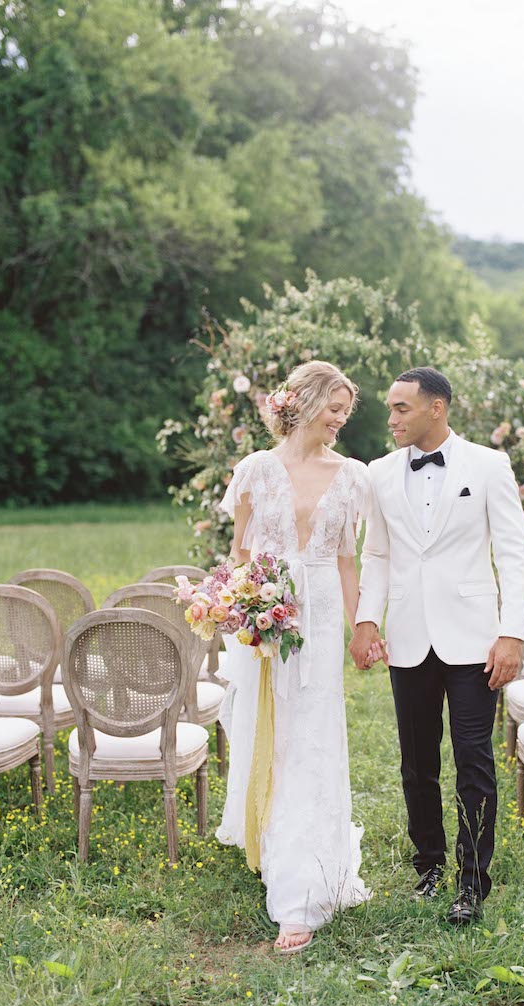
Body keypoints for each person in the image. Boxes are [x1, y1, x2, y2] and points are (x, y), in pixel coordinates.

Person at [350, 367, 524, 925]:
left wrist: (511, 631)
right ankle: (428, 866)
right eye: (389, 408)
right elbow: (377, 554)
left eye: (401, 408)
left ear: (437, 408)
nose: (392, 419)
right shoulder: (379, 474)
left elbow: (513, 553)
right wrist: (366, 619)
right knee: (416, 763)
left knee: (474, 763)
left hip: (476, 639)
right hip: (408, 636)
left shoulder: (488, 464)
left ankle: (472, 884)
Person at [216, 360, 371, 953]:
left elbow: (347, 560)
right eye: (334, 408)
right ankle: (275, 845)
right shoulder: (255, 470)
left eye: (344, 412)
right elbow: (238, 553)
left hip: (324, 617)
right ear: (303, 403)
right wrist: (237, 605)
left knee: (312, 735)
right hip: (268, 617)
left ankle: (303, 890)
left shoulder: (352, 475)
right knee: (271, 735)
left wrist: (362, 625)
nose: (340, 421)